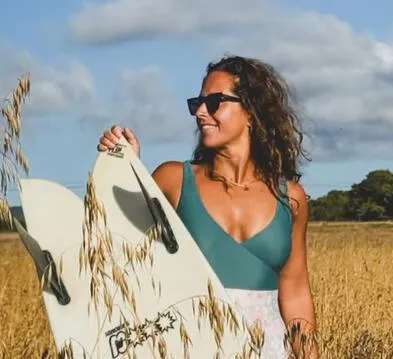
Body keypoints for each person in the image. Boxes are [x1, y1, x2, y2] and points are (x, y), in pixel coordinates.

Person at [97, 55, 318, 358]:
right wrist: (127, 169)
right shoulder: (173, 180)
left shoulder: (290, 198)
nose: (200, 113)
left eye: (214, 102)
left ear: (251, 111)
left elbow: (295, 292)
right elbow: (121, 251)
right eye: (196, 104)